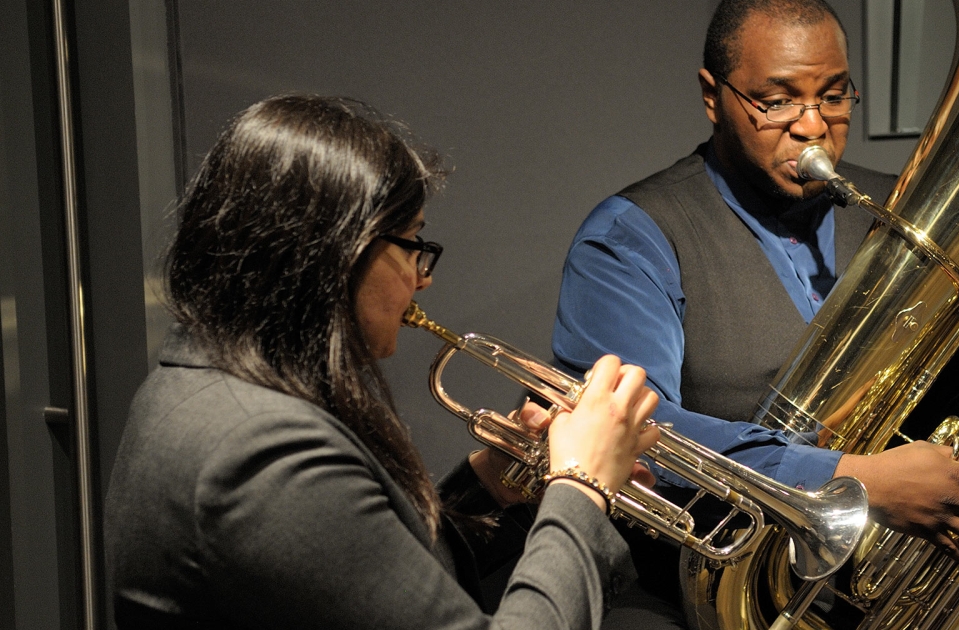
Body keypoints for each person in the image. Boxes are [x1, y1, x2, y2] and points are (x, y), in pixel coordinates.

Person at [552, 0, 959, 625]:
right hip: (694, 604)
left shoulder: (905, 210)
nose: (812, 127)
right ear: (711, 96)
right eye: (777, 101)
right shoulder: (632, 237)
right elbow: (638, 432)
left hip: (883, 604)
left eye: (834, 97)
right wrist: (854, 479)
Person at [104, 94, 662, 630]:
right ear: (336, 250)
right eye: (412, 242)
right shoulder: (260, 452)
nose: (424, 276)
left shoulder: (205, 386)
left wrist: (491, 485)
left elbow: (360, 581)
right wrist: (582, 485)